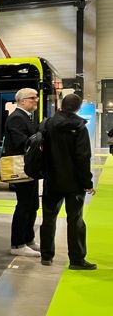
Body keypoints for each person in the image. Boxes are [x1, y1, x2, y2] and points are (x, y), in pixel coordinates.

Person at [39, 94, 97, 269]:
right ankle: (77, 260)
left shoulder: (48, 124)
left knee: (48, 218)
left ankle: (46, 256)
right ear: (78, 108)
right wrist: (87, 183)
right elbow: (82, 157)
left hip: (51, 180)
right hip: (74, 183)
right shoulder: (80, 127)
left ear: (62, 105)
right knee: (75, 220)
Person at [3, 88, 41, 257]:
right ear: (23, 100)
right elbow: (22, 143)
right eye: (33, 98)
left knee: (32, 205)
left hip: (29, 168)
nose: (36, 100)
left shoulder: (25, 117)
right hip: (22, 168)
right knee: (24, 205)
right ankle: (18, 244)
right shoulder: (17, 118)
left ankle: (28, 239)